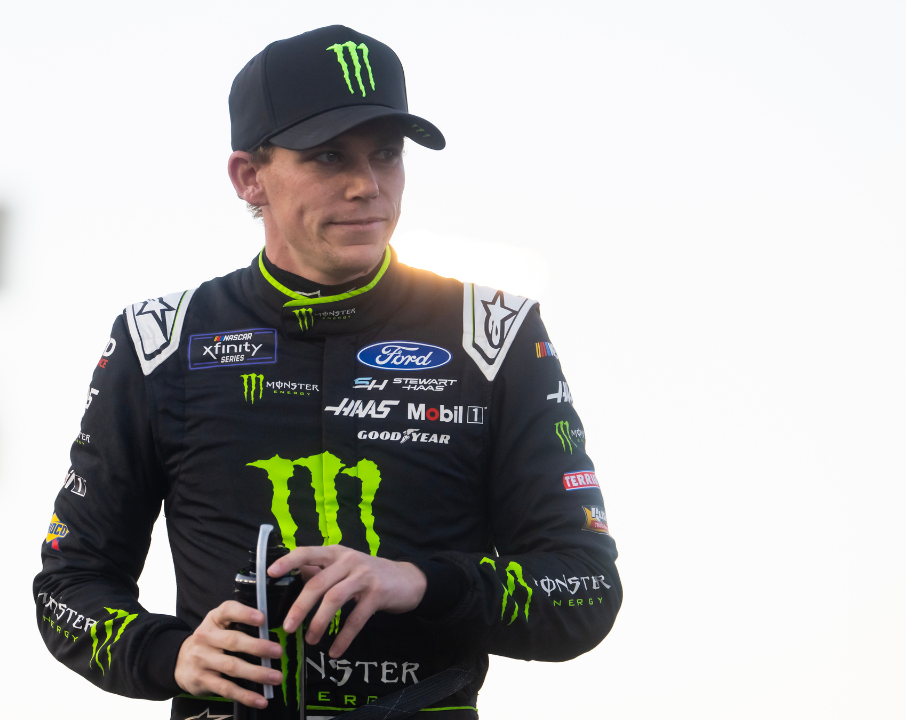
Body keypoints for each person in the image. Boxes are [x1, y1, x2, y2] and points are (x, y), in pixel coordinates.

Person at [34, 25, 621, 720]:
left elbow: (585, 590)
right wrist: (170, 654)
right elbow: (68, 584)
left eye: (387, 155)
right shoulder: (159, 339)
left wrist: (420, 583)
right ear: (249, 176)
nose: (366, 185)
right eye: (327, 157)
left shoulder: (492, 334)